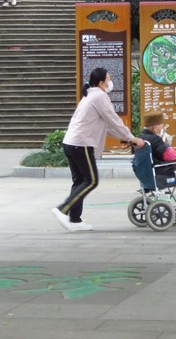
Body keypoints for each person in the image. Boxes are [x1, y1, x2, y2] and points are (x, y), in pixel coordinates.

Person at [51, 67, 145, 232]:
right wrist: (132, 138)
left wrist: (125, 138)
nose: (110, 83)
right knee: (91, 181)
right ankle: (62, 209)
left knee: (79, 182)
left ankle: (75, 220)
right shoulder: (100, 96)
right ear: (101, 83)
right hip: (81, 144)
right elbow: (114, 120)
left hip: (71, 143)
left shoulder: (90, 95)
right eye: (108, 79)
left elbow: (105, 127)